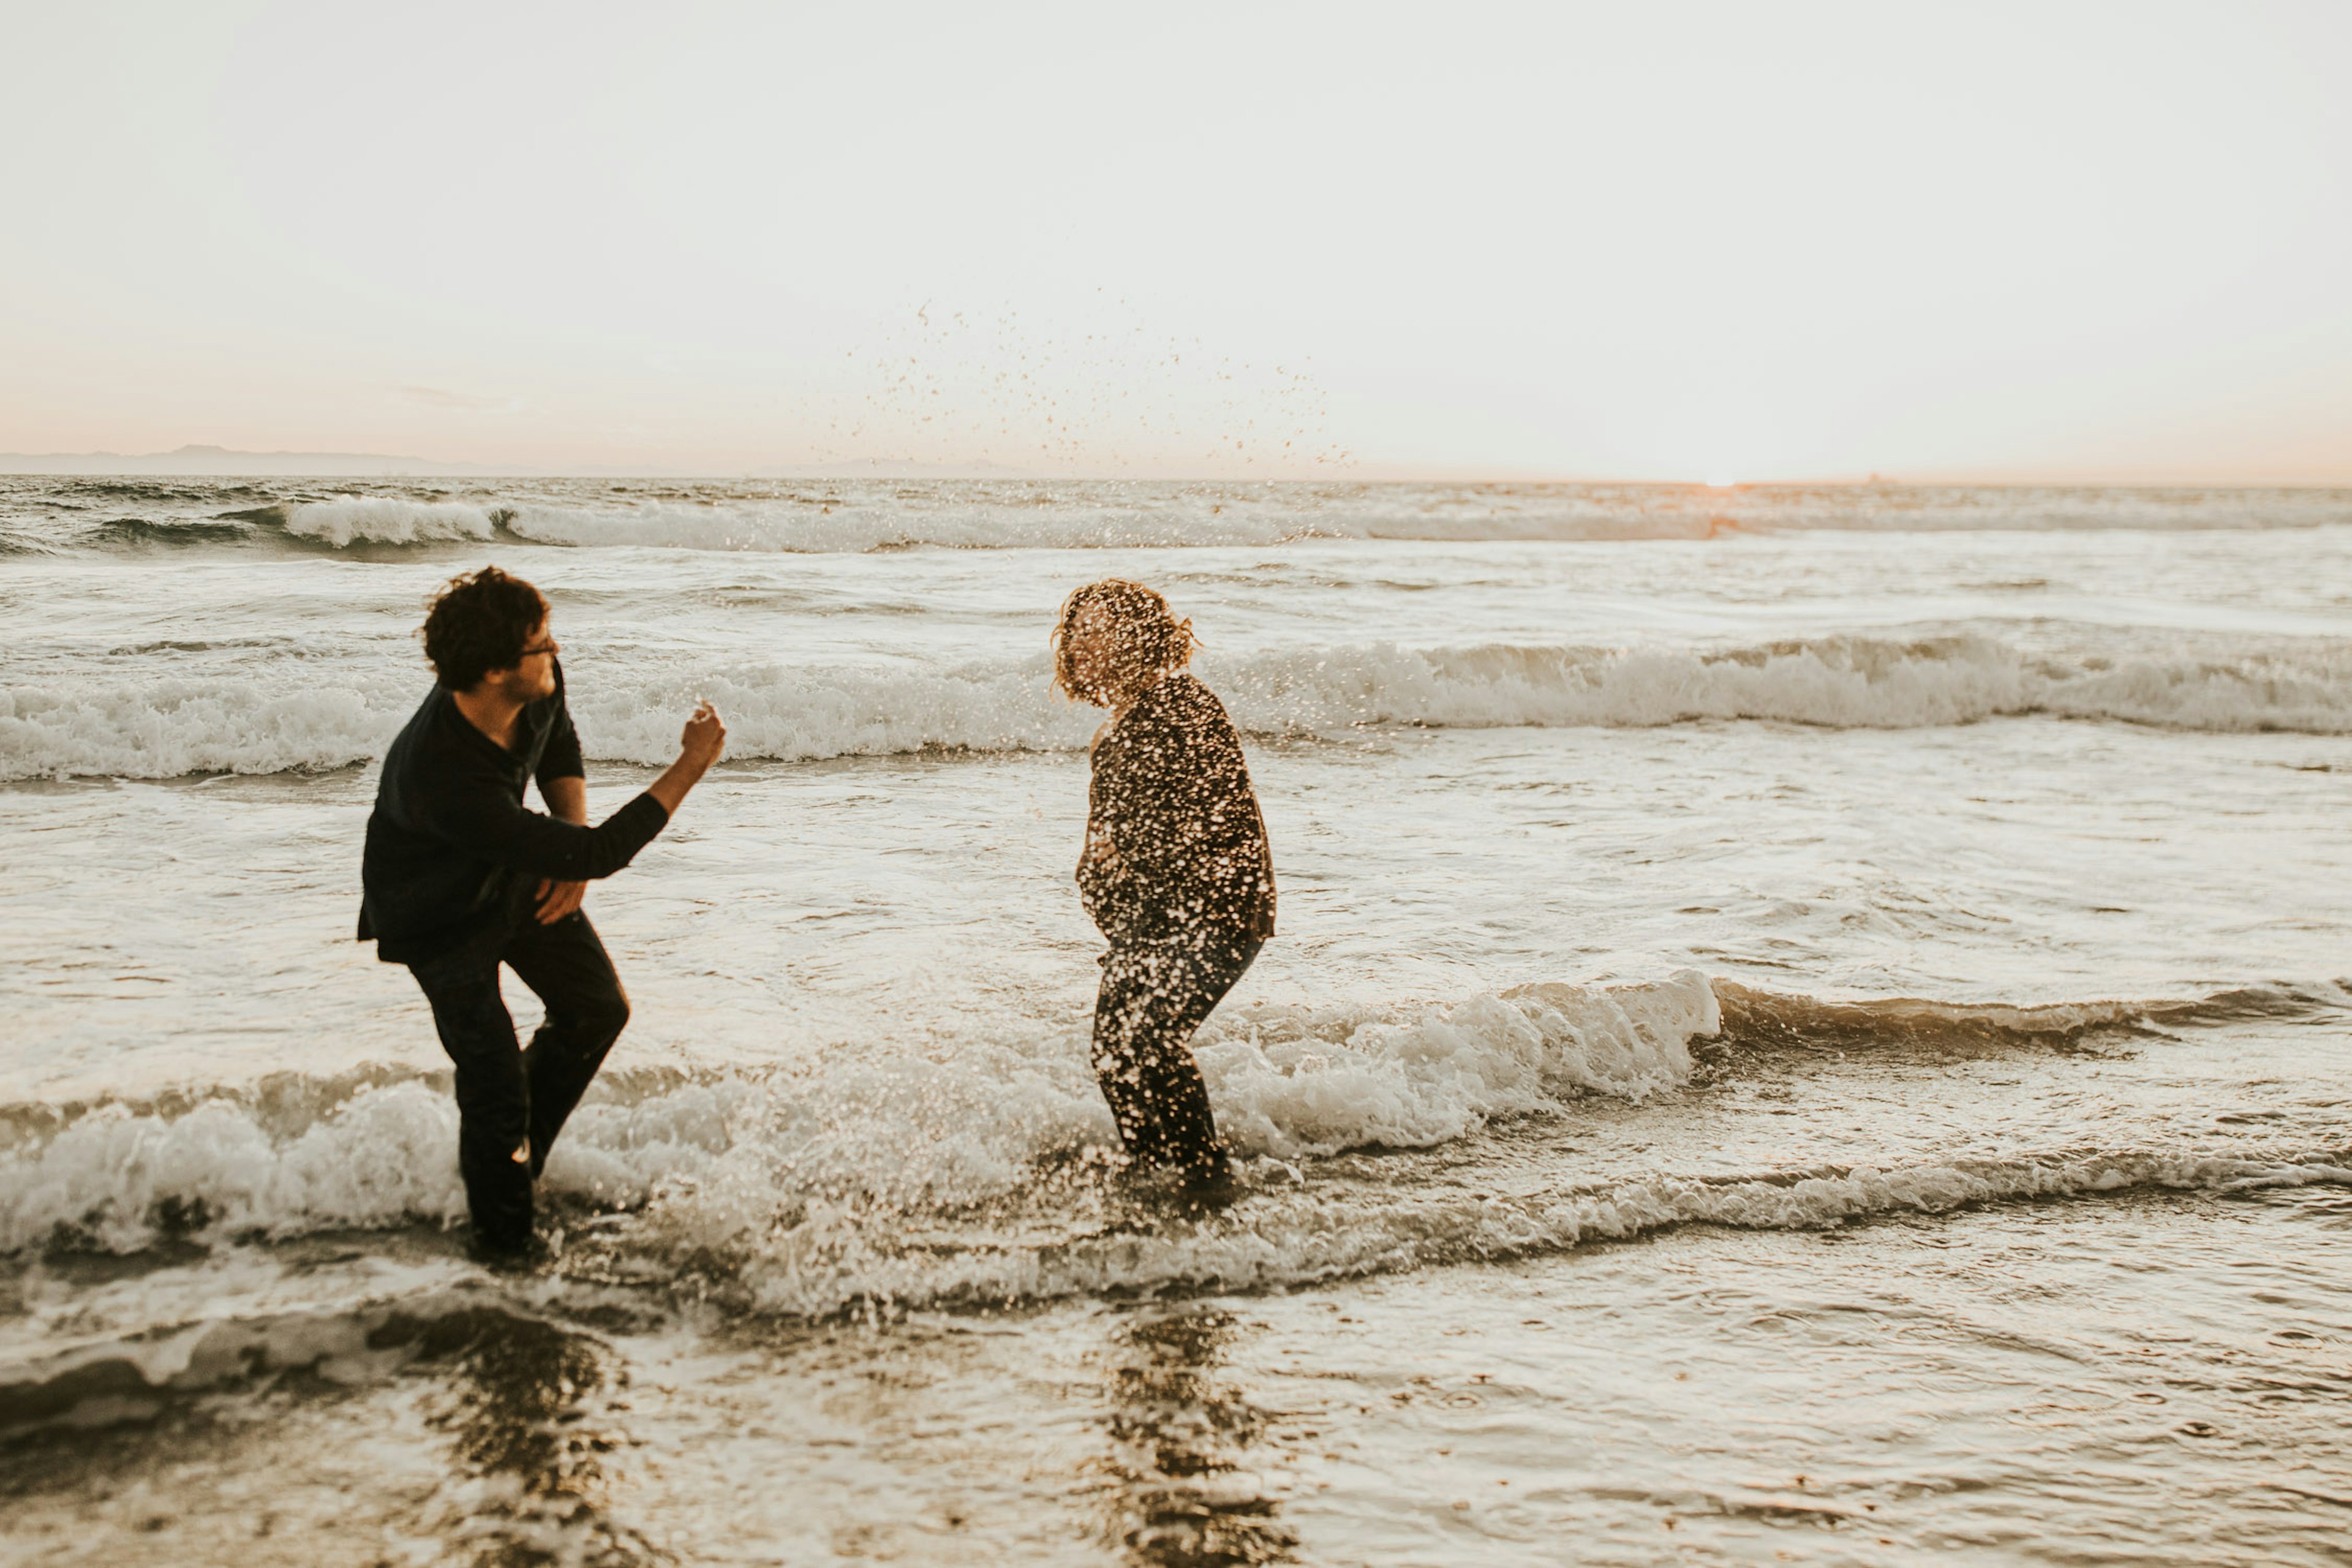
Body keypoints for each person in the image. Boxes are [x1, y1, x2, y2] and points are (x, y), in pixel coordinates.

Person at [358, 565, 726, 1259]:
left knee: (596, 1010)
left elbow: (558, 743)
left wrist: (566, 852)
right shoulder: (445, 774)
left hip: (507, 863)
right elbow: (606, 850)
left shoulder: (536, 683)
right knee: (492, 1081)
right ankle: (503, 1251)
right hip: (433, 913)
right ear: (497, 669)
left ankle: (513, 1161)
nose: (555, 652)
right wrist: (692, 764)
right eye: (541, 644)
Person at [1054, 579, 1276, 1197]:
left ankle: (1206, 1175)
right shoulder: (1126, 718)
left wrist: (1120, 866)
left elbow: (1201, 829)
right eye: (1075, 632)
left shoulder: (1180, 705)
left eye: (1097, 630)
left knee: (1148, 1037)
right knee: (1114, 1050)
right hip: (1151, 923)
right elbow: (1116, 834)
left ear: (1138, 635)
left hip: (1215, 914)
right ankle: (1155, 1169)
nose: (1081, 644)